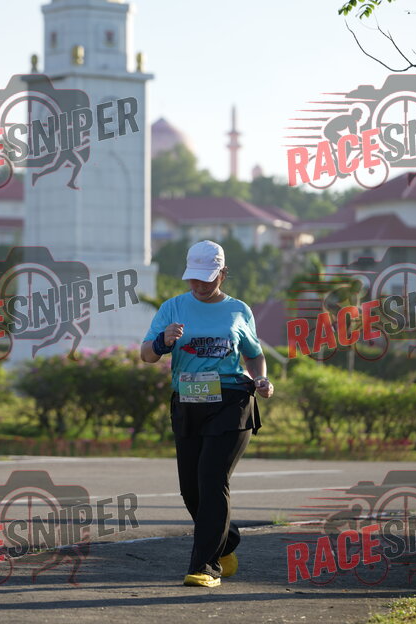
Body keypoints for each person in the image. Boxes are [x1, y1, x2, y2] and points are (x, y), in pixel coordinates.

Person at [141, 240, 274, 587]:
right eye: (194, 278)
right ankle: (226, 541)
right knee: (191, 490)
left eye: (208, 278)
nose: (199, 285)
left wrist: (261, 378)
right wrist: (163, 342)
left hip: (232, 402)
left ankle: (206, 566)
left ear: (223, 274)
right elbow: (147, 355)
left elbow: (254, 353)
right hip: (188, 402)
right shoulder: (172, 307)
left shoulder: (239, 310)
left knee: (212, 479)